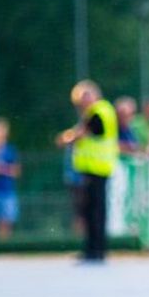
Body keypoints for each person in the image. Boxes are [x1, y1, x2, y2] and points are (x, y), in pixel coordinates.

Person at [56, 80, 118, 263]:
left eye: (85, 97)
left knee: (95, 211)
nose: (83, 102)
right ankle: (93, 249)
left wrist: (68, 138)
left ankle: (96, 250)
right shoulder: (96, 112)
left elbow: (85, 132)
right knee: (92, 211)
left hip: (97, 168)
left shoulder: (100, 110)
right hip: (93, 169)